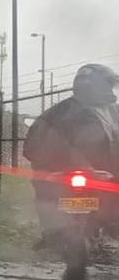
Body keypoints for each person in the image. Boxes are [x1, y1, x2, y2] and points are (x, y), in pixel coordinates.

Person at [23, 63, 119, 246]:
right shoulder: (56, 114)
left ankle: (109, 226)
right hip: (65, 175)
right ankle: (51, 233)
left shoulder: (113, 112)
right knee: (46, 192)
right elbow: (32, 148)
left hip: (104, 176)